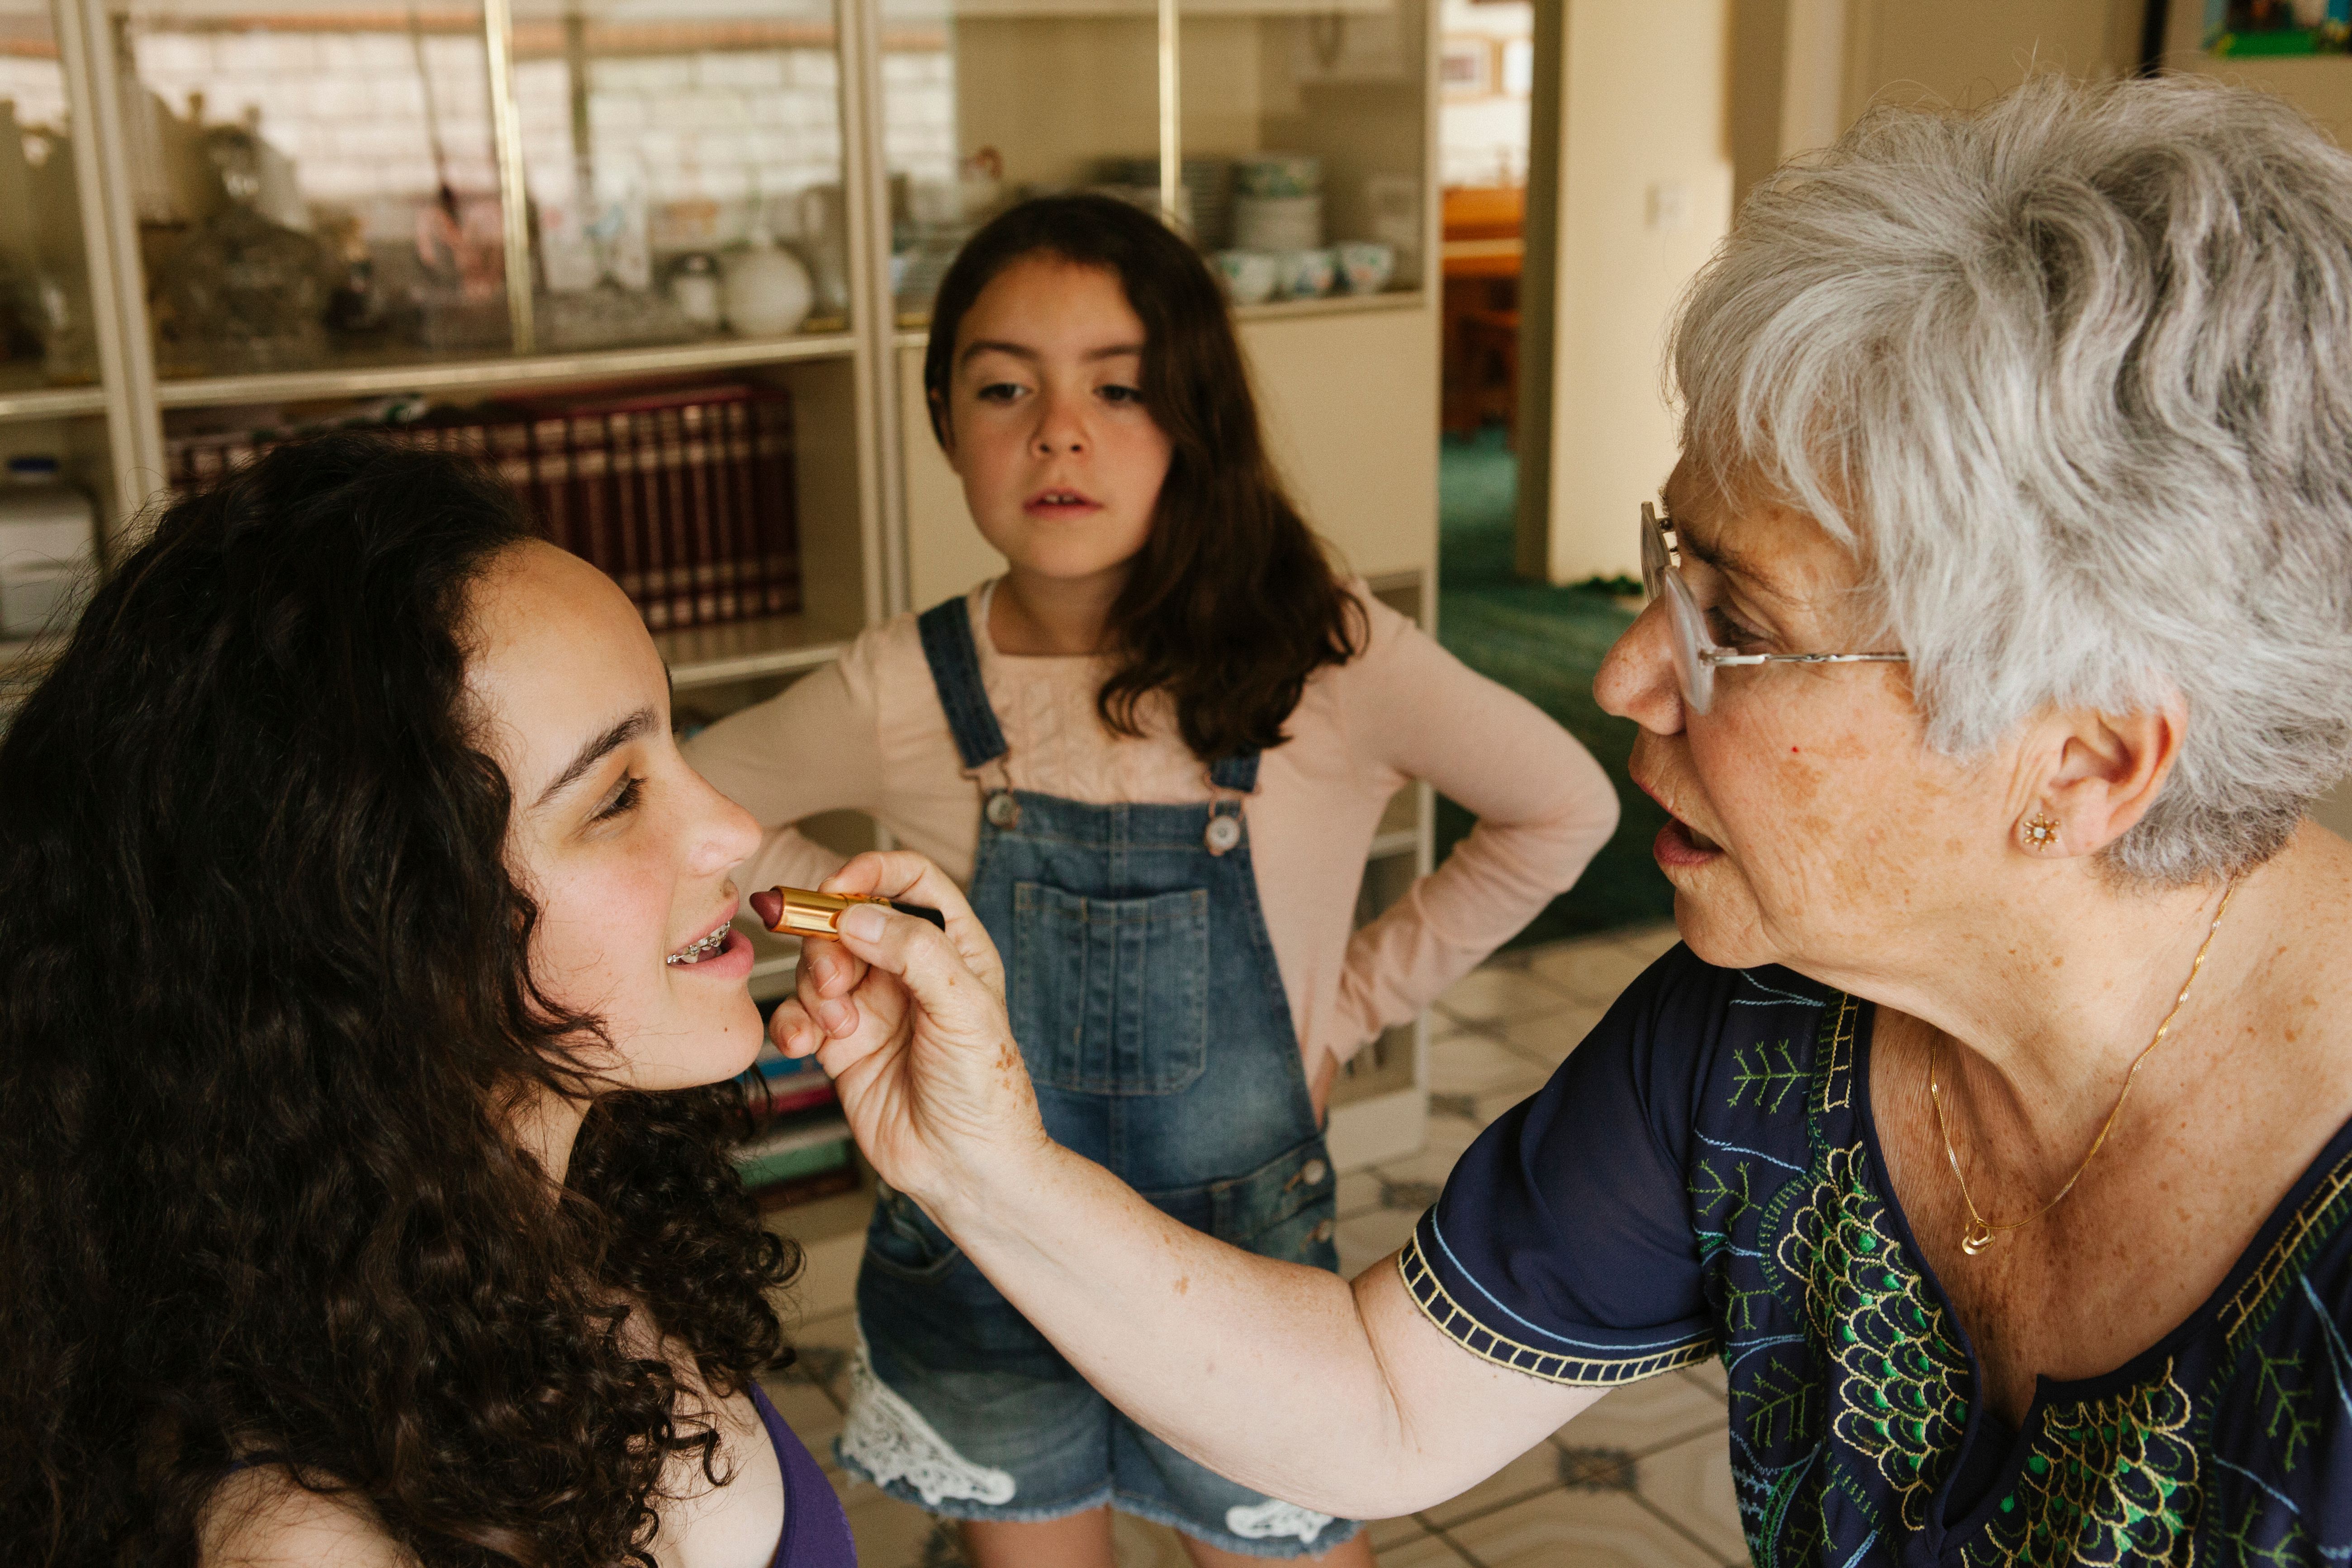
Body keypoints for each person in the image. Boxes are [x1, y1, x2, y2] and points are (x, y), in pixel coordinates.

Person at [770, 75, 2352, 1562]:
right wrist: (973, 1159)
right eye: (1668, 559)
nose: (1625, 666)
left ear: (2079, 761)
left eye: (1732, 618)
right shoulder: (1761, 1036)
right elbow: (1384, 1403)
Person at [685, 194, 1618, 1566]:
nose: (1058, 430)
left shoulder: (1326, 650)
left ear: (1197, 415)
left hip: (1238, 1273)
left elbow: (1564, 806)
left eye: (1119, 388)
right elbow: (705, 818)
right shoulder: (906, 681)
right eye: (1003, 387)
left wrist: (1352, 1004)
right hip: (982, 1265)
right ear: (944, 421)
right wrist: (874, 921)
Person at [0, 438, 855, 1568]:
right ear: (373, 930)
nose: (734, 833)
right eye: (613, 799)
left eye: (674, 737)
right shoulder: (308, 1542)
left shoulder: (566, 1219)